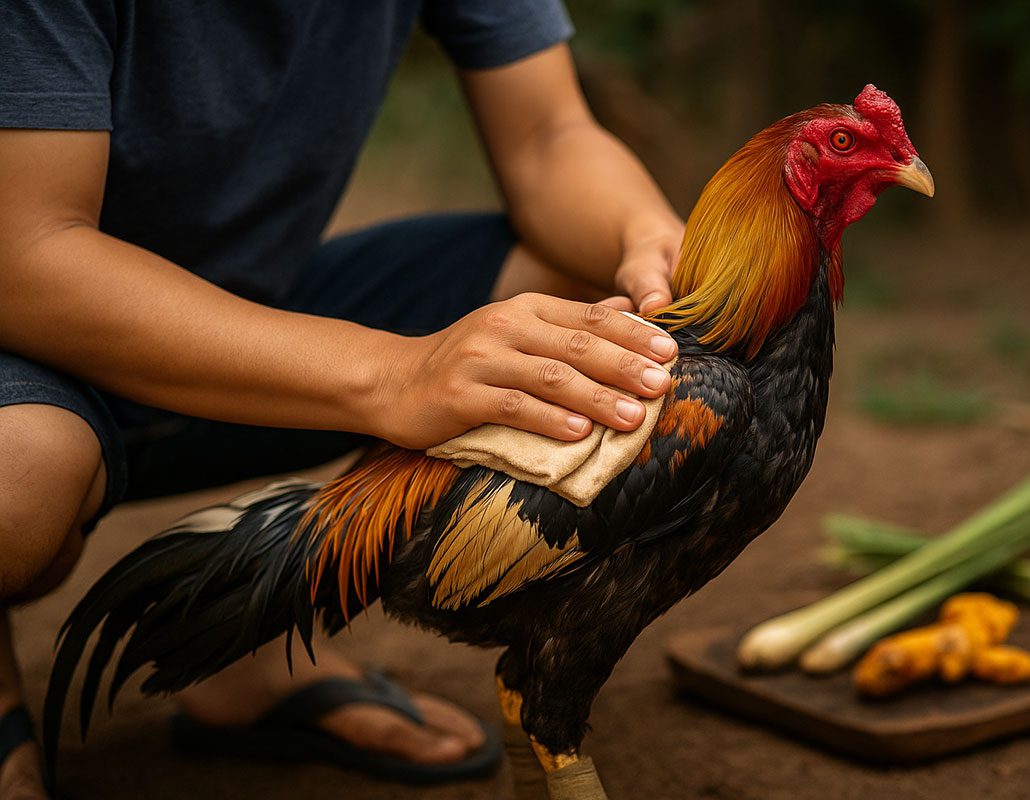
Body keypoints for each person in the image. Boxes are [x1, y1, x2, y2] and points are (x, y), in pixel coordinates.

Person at [0, 2, 684, 796]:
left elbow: (548, 137)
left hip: (235, 313)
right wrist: (395, 373)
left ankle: (251, 620)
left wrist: (643, 238)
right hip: (30, 332)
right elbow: (25, 254)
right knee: (19, 483)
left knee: (591, 304)